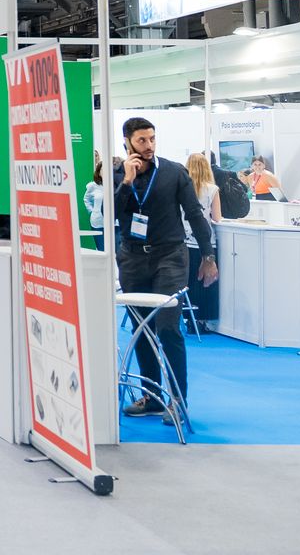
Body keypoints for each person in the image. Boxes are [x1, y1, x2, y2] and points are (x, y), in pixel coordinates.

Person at [114, 116, 216, 425]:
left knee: (168, 327)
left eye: (152, 139)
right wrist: (127, 181)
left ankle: (178, 400)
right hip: (132, 259)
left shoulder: (174, 172)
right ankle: (152, 397)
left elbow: (195, 214)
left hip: (170, 257)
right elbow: (111, 214)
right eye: (141, 140)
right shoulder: (118, 175)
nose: (148, 145)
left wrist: (208, 255)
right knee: (141, 327)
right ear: (127, 142)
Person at [183, 153, 223, 333]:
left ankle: (188, 318)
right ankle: (201, 321)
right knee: (205, 282)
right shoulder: (212, 189)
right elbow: (217, 217)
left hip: (185, 241)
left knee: (189, 282)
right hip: (206, 242)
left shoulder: (183, 188)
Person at [84, 152, 106, 249]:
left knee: (116, 251)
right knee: (101, 250)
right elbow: (86, 199)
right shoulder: (92, 186)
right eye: (103, 170)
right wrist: (92, 211)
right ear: (99, 172)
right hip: (98, 222)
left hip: (114, 223)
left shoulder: (117, 185)